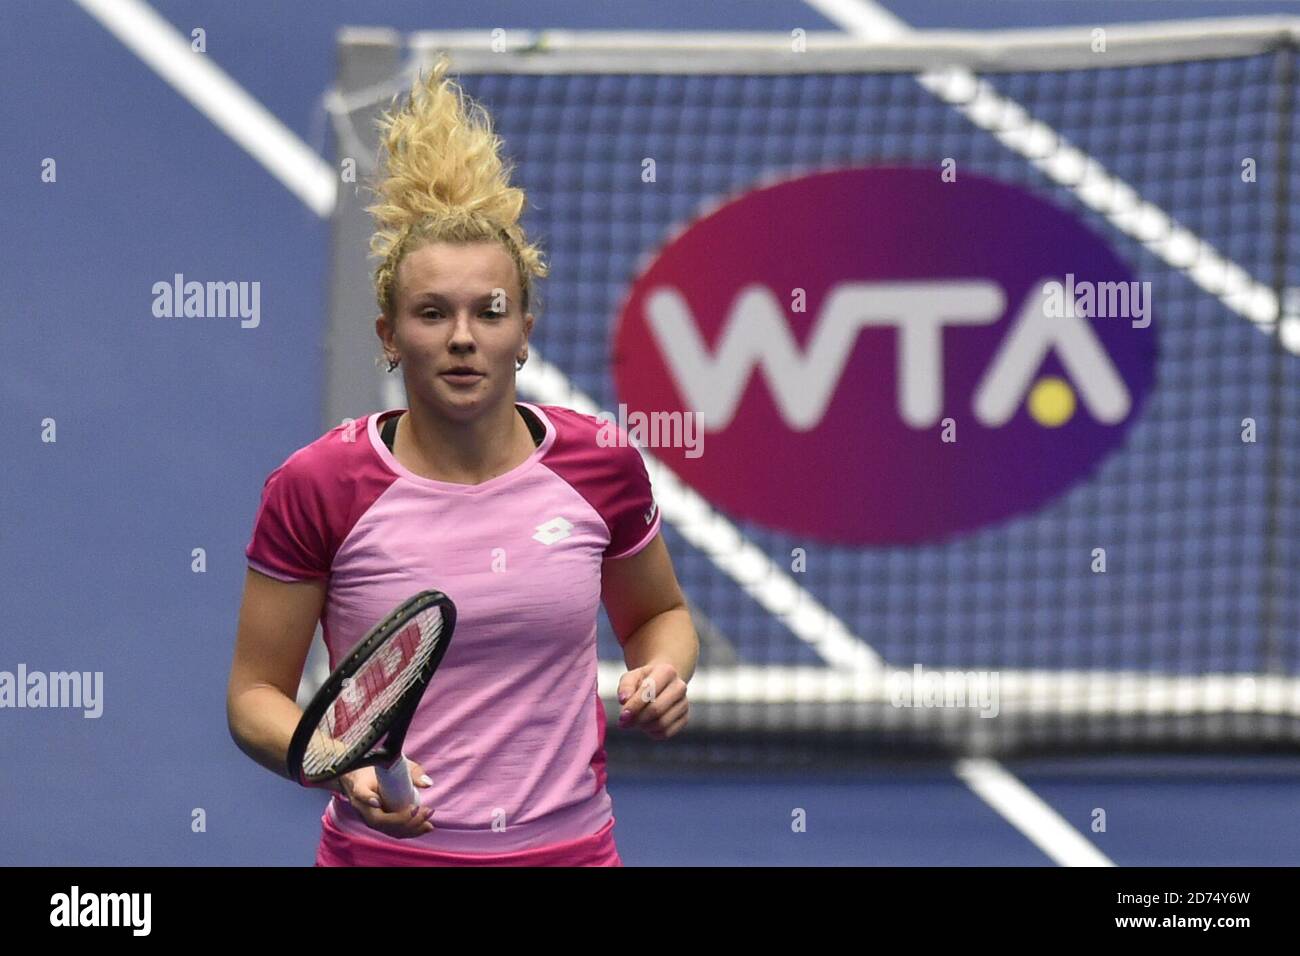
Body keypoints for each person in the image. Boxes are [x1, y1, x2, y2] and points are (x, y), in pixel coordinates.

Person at [226, 57, 699, 866]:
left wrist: (663, 675)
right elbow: (253, 697)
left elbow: (659, 616)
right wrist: (339, 765)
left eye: (489, 312)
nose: (461, 337)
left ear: (524, 332)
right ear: (388, 336)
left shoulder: (598, 465)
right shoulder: (321, 487)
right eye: (431, 313)